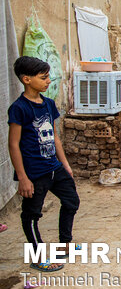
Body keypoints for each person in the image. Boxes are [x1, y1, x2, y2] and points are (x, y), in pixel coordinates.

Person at [7, 56, 80, 272]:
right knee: (31, 215)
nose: (48, 81)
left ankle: (64, 244)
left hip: (54, 168)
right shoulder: (19, 108)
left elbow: (55, 137)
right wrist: (22, 178)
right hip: (33, 173)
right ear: (27, 79)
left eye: (48, 76)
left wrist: (65, 164)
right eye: (44, 77)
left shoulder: (48, 104)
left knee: (71, 201)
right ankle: (38, 256)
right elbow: (13, 144)